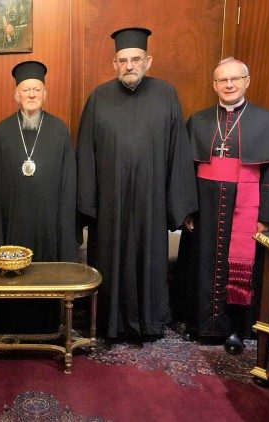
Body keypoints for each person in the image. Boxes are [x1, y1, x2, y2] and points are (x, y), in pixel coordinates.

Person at [77, 27, 197, 342]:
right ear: (114, 63)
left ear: (148, 61)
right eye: (122, 60)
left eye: (135, 59)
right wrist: (87, 206)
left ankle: (150, 322)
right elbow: (86, 153)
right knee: (110, 260)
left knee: (149, 258)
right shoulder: (99, 97)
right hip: (111, 204)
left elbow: (178, 150)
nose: (129, 65)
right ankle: (110, 323)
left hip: (151, 200)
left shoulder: (166, 94)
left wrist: (179, 206)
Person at [175, 58, 269, 354]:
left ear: (247, 81)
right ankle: (199, 323)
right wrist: (188, 209)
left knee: (240, 264)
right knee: (201, 262)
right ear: (214, 85)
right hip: (205, 206)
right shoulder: (198, 120)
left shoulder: (266, 120)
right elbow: (185, 170)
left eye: (235, 79)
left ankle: (236, 327)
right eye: (223, 80)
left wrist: (267, 216)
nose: (229, 85)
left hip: (246, 206)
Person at [0, 60, 77, 332]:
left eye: (37, 89)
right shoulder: (1, 131)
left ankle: (47, 326)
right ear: (16, 95)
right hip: (12, 221)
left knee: (46, 273)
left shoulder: (59, 130)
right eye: (26, 90)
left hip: (49, 222)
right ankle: (9, 325)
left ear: (45, 94)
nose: (32, 94)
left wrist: (65, 223)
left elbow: (69, 182)